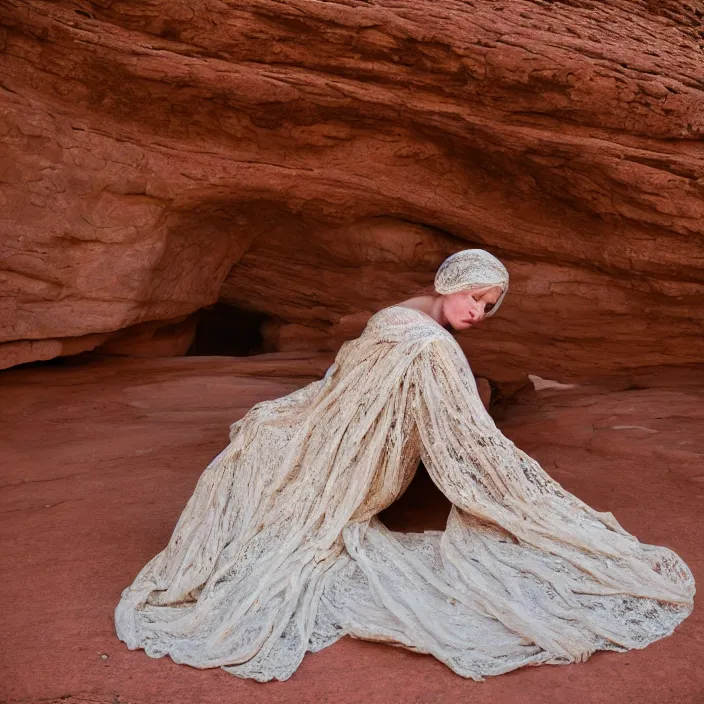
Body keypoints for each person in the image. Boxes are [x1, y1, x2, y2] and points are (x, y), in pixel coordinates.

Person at [115, 248, 695, 682]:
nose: (480, 313)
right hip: (339, 442)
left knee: (263, 446)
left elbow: (462, 429)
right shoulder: (414, 331)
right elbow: (349, 385)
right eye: (475, 297)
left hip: (357, 455)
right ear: (452, 283)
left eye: (490, 307)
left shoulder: (408, 324)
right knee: (260, 444)